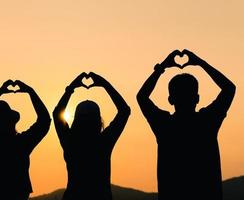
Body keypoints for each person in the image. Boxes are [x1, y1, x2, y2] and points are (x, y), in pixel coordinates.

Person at [137, 49, 236, 200]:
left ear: (170, 100)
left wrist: (162, 67)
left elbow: (142, 96)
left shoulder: (164, 125)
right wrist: (201, 63)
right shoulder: (208, 121)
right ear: (197, 98)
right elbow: (229, 88)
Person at [53, 72, 130, 200]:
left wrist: (71, 88)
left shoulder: (70, 141)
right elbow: (124, 111)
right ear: (98, 121)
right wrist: (105, 84)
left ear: (76, 120)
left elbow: (56, 114)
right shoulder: (104, 142)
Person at [0, 80, 51, 200]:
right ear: (11, 121)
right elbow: (44, 120)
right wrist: (30, 92)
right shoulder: (21, 143)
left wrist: (0, 91)